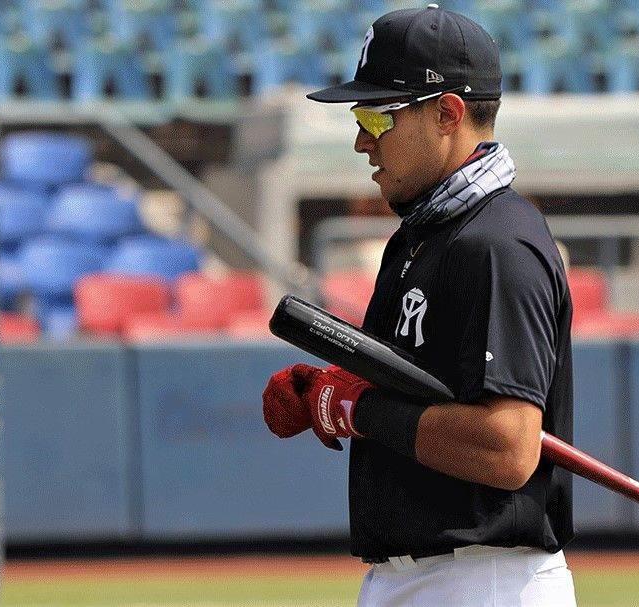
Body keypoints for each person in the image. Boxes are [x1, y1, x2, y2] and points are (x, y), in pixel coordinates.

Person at [262, 5, 576, 606]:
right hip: (418, 576)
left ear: (447, 114)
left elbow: (508, 447)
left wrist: (356, 409)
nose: (361, 141)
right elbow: (416, 393)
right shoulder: (423, 236)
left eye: (376, 116)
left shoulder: (498, 243)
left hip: (482, 581)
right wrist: (333, 390)